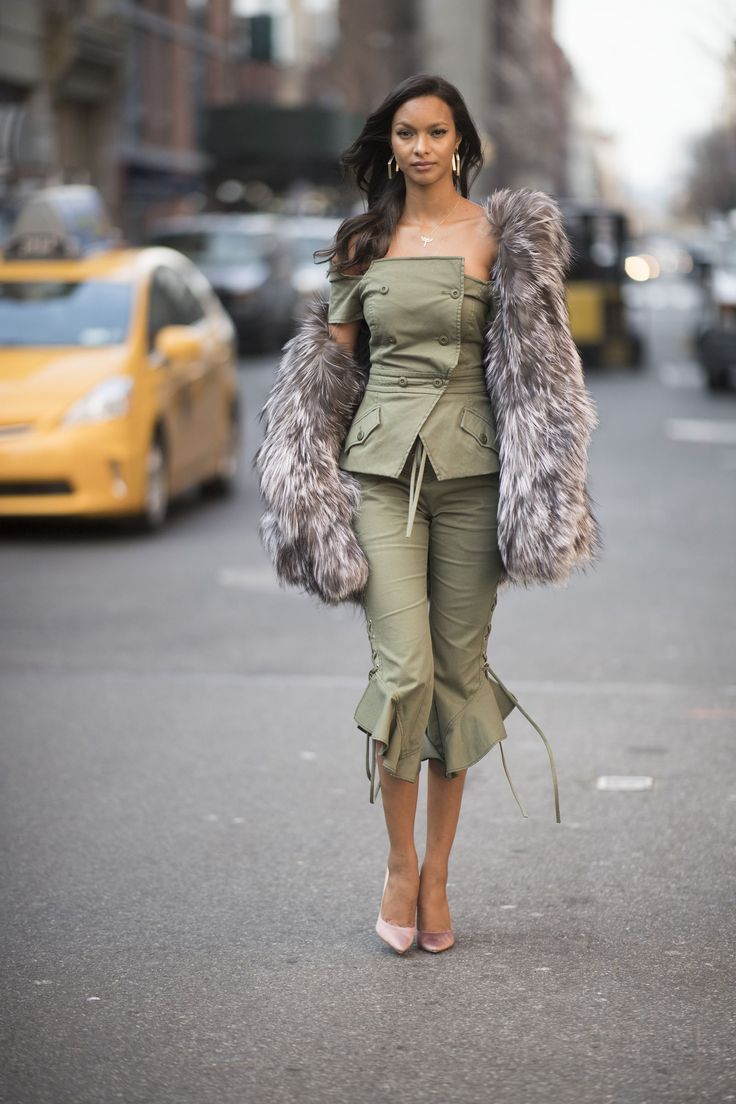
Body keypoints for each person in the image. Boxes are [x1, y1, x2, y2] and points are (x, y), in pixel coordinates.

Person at [253, 74, 602, 956]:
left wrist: (551, 478)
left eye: (436, 132)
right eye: (406, 132)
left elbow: (542, 367)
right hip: (377, 473)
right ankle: (399, 866)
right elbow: (326, 376)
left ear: (460, 143)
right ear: (390, 143)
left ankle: (440, 871)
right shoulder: (362, 244)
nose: (420, 147)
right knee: (404, 675)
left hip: (476, 476)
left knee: (455, 679)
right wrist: (304, 485)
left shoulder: (502, 239)